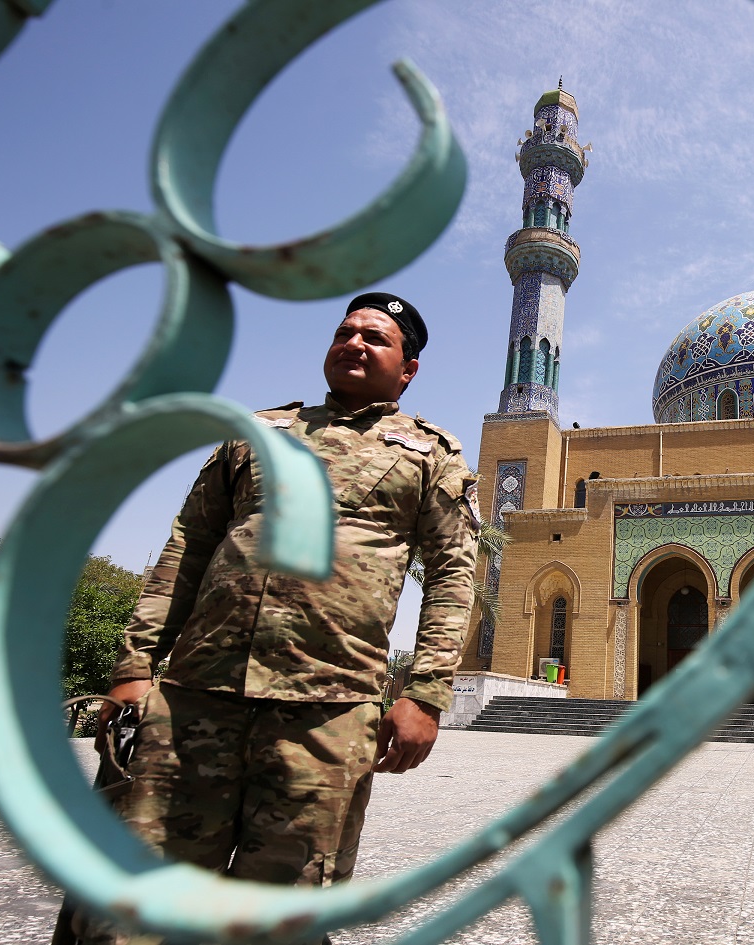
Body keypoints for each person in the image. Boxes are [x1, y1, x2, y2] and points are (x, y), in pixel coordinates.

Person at [78, 292, 479, 945]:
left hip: (324, 713)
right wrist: (134, 666)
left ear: (408, 369)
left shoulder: (431, 455)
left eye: (375, 338)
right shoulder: (257, 432)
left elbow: (454, 574)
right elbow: (186, 549)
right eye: (345, 331)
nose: (354, 343)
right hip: (194, 700)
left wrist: (427, 693)